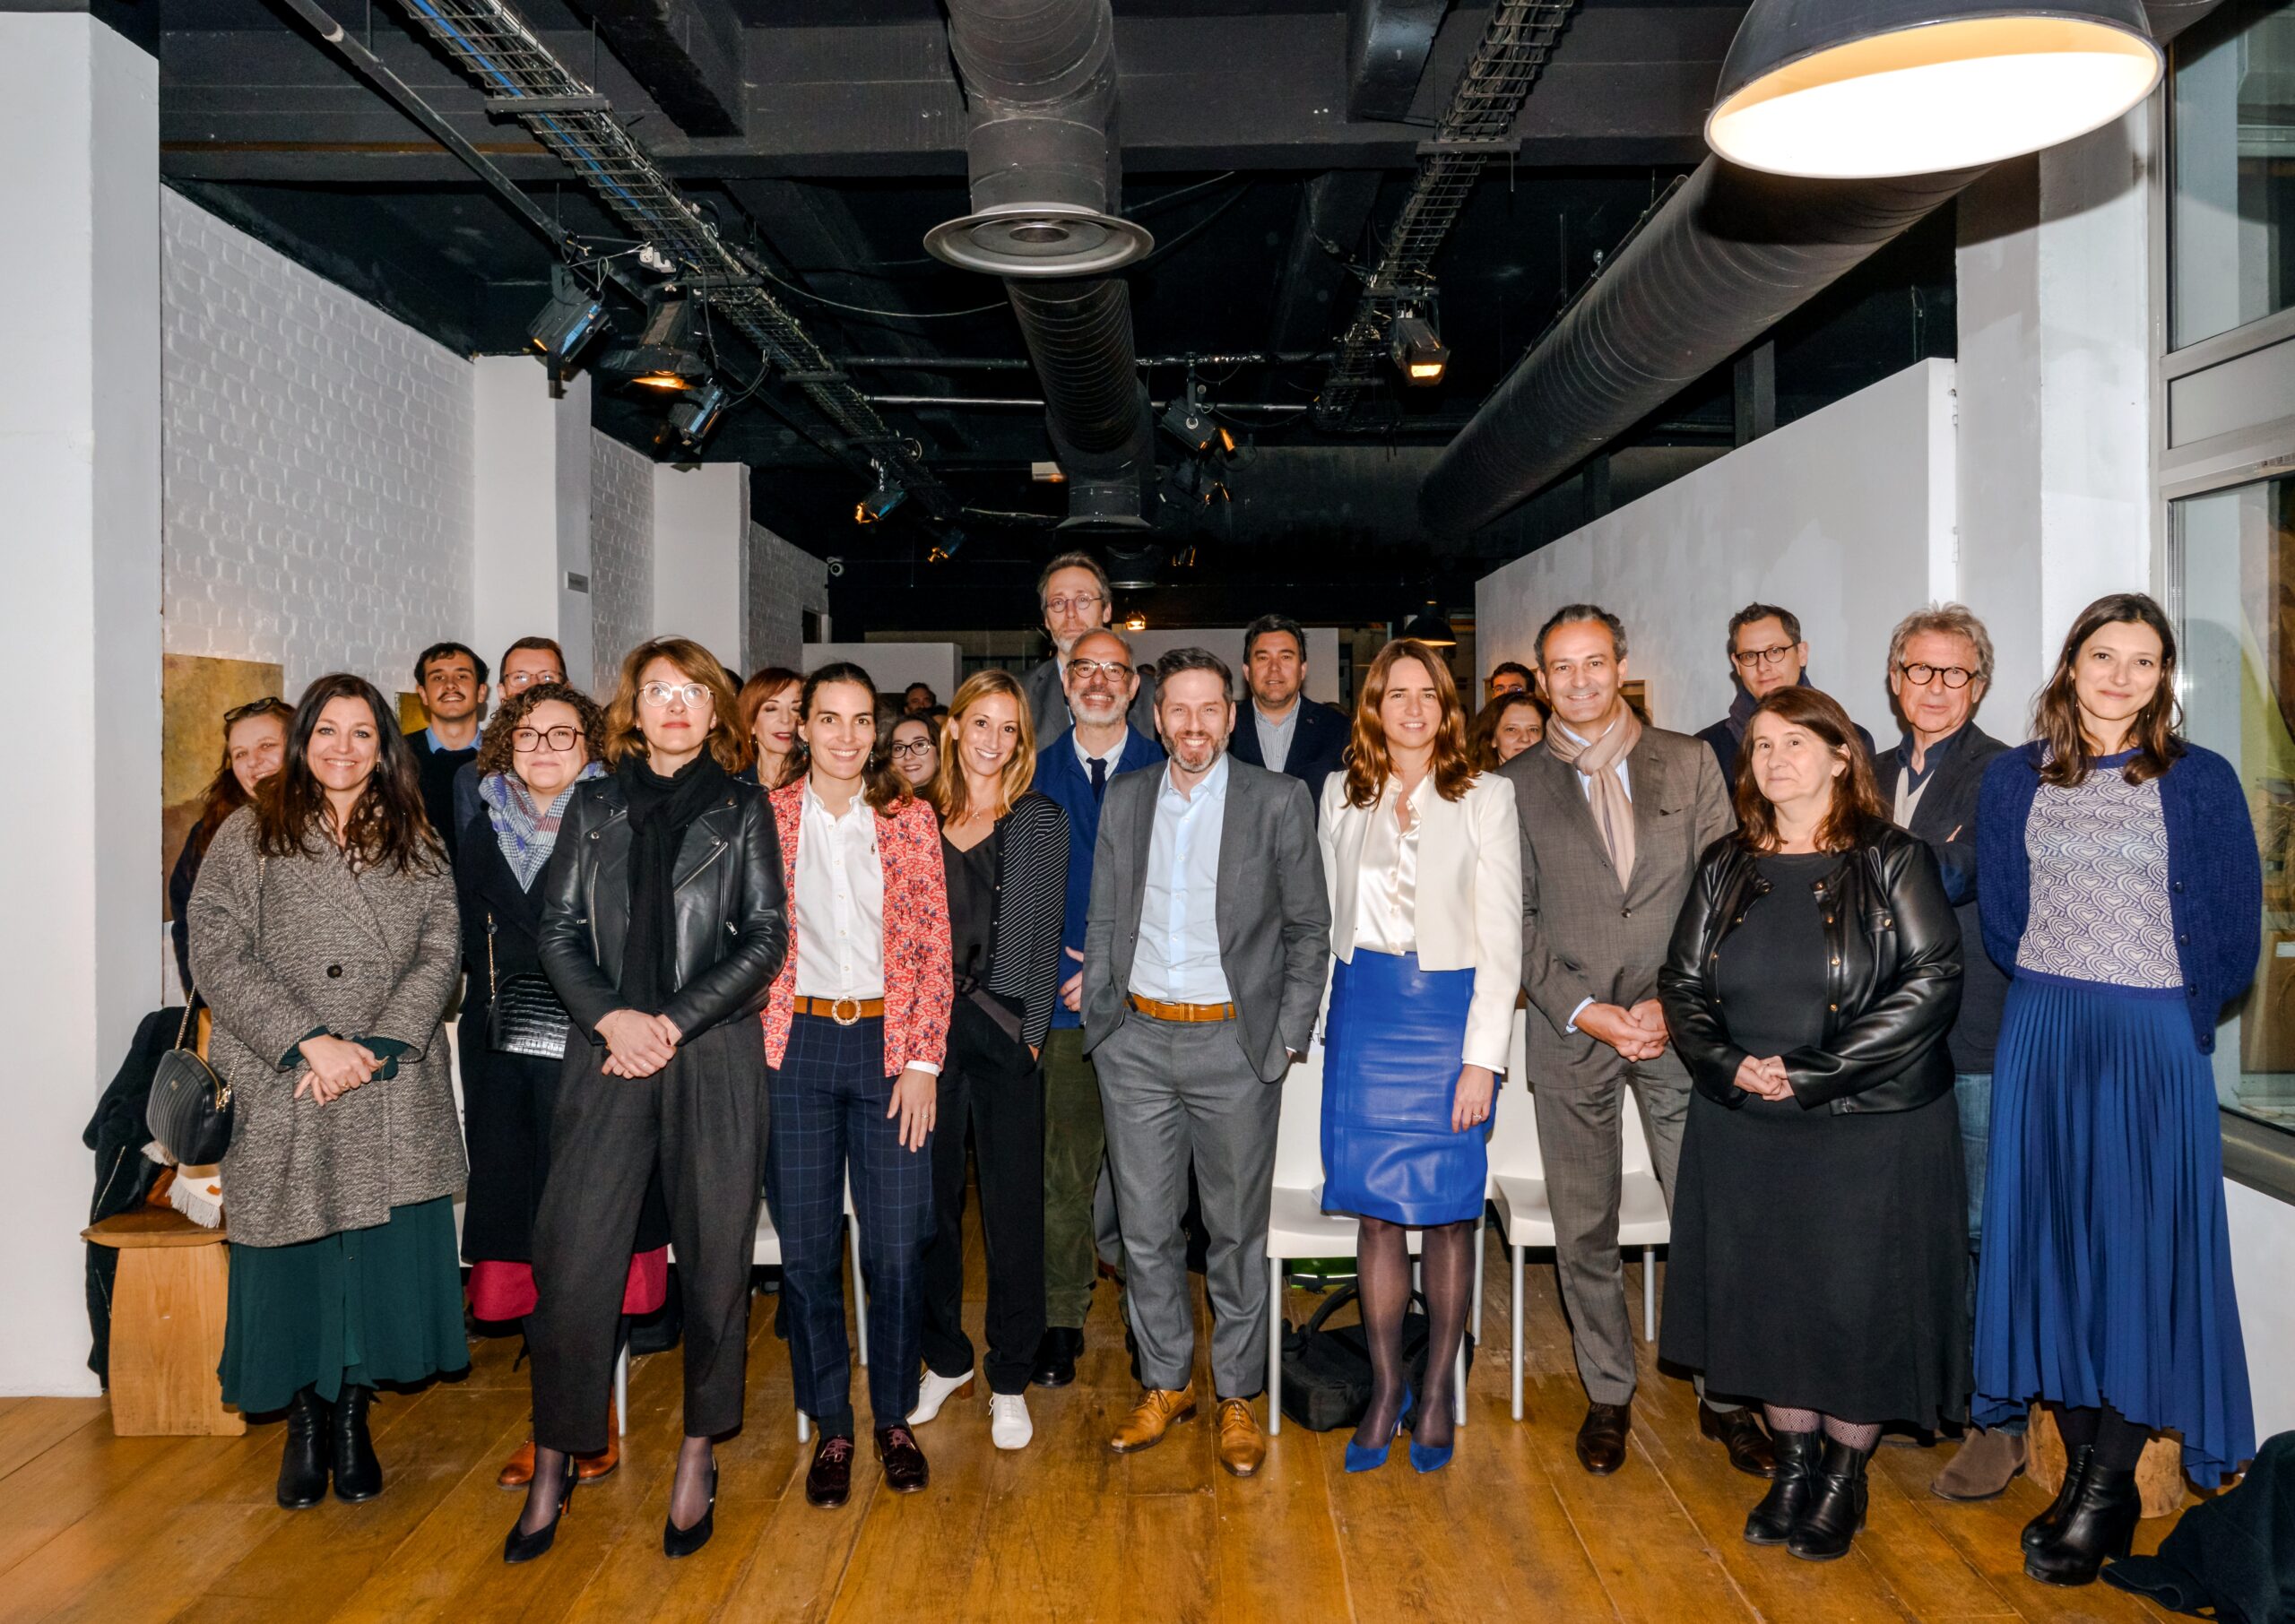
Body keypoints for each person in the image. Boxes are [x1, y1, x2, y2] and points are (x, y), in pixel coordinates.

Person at [1974, 592, 2259, 1586]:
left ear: (2162, 679)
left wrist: (2151, 1009)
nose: (2121, 676)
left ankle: (2105, 1484)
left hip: (2148, 1047)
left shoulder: (2201, 782)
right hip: (2045, 1036)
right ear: (2070, 665)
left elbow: (2231, 935)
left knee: (2138, 1265)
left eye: (2144, 661)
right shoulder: (2013, 780)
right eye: (2105, 655)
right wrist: (2066, 992)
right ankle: (2094, 1476)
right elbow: (2005, 920)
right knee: (2061, 1258)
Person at [1659, 686, 1968, 1563]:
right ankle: (1792, 1465)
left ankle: (1842, 1477)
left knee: (1855, 1310)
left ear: (1842, 757)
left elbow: (1931, 983)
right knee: (1768, 1305)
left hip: (1868, 1126)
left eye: (1795, 742)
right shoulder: (1724, 861)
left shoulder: (1892, 858)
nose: (1774, 760)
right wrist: (1728, 1065)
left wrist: (1810, 1074)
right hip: (1745, 1120)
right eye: (1760, 746)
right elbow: (1680, 983)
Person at [514, 638, 789, 1565]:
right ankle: (557, 1457)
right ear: (637, 708)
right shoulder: (592, 805)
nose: (674, 706)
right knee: (574, 1256)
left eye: (691, 692)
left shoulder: (744, 808)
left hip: (709, 1053)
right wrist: (612, 1023)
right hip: (607, 1055)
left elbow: (763, 940)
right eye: (657, 691)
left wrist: (667, 1023)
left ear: (717, 712)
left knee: (715, 1263)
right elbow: (552, 929)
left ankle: (698, 1452)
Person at [187, 673, 466, 1513]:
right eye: (326, 732)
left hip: (385, 1077)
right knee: (296, 1253)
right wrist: (310, 1040)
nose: (342, 749)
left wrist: (375, 1046)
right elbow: (216, 951)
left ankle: (354, 1415)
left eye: (361, 734)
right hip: (288, 1078)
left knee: (371, 1258)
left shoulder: (416, 836)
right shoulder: (248, 835)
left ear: (384, 748)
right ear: (304, 742)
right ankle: (305, 1422)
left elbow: (440, 948)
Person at [1503, 605, 1767, 1477]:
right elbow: (1514, 920)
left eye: (1592, 663)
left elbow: (1723, 893)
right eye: (1560, 668)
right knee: (1586, 1230)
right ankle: (1607, 1395)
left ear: (1620, 666)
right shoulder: (1511, 785)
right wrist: (1587, 1009)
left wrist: (1665, 998)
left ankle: (1727, 1399)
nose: (1578, 681)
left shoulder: (1689, 763)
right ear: (1542, 682)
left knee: (1708, 1215)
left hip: (1678, 1028)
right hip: (1569, 1030)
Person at [1084, 648, 1329, 1479]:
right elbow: (1109, 914)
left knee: (1233, 1236)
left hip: (1235, 1047)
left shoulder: (1279, 800)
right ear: (1157, 719)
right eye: (1178, 711)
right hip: (1137, 1045)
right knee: (1145, 1233)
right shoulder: (1126, 798)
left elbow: (1309, 931)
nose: (1193, 726)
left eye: (1209, 710)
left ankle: (1237, 1396)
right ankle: (1165, 1383)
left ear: (1232, 715)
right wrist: (1105, 1024)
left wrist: (1285, 1039)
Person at [455, 682, 669, 1490]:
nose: (544, 749)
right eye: (528, 736)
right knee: (531, 1239)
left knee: (593, 1236)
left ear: (591, 747)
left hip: (598, 1048)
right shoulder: (479, 834)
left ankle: (589, 1420)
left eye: (562, 735)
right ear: (506, 744)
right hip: (508, 1056)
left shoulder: (624, 821)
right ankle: (554, 1421)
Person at [1319, 640, 1521, 1474]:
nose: (1410, 707)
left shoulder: (1486, 796)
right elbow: (1322, 914)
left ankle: (1435, 1387)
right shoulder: (1340, 793)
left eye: (1426, 694)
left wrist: (1484, 1059)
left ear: (1445, 707)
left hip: (1446, 1022)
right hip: (1364, 1016)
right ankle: (1382, 1386)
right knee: (1374, 1215)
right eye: (1393, 693)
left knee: (1444, 1213)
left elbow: (1504, 937)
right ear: (1373, 707)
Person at [762, 663, 951, 1511]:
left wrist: (922, 1062)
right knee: (805, 1254)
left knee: (897, 1246)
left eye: (858, 721)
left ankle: (893, 1417)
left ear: (877, 731)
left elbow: (931, 950)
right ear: (802, 728)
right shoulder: (763, 819)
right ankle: (831, 1420)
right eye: (826, 719)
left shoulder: (909, 820)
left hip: (887, 1046)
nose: (844, 736)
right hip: (794, 1047)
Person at [1870, 606, 2021, 1502]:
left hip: (1975, 1036)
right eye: (1919, 672)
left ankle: (1994, 1422)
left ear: (1978, 685)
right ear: (1894, 680)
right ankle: (1924, 1392)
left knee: (1981, 1232)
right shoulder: (1876, 770)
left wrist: (1856, 852)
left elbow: (1954, 877)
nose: (1934, 688)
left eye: (1953, 674)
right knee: (1910, 1223)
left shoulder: (2004, 774)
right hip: (1883, 1038)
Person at [908, 672, 1070, 1450]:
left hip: (1003, 1032)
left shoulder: (1039, 820)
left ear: (1022, 741)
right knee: (930, 1210)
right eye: (982, 723)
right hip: (925, 1043)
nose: (994, 740)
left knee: (1013, 1212)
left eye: (1009, 728)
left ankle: (1010, 1374)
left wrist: (1031, 1035)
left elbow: (1041, 942)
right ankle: (945, 1360)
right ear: (954, 727)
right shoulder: (911, 817)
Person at [1030, 628, 1163, 1387]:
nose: (1102, 683)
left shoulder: (1172, 768)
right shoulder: (1033, 773)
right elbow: (1020, 896)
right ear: (1067, 678)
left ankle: (1153, 1323)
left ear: (1135, 685)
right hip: (1062, 1009)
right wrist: (1056, 973)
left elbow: (1190, 897)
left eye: (1117, 671)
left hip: (1149, 1007)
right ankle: (1061, 1318)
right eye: (1088, 670)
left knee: (1151, 1183)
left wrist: (1118, 969)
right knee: (1065, 1175)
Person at [169, 696, 292, 998]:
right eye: (240, 754)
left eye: (267, 746)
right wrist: (207, 1008)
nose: (253, 762)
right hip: (241, 1011)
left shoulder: (339, 821)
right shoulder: (212, 833)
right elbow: (190, 925)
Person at [1696, 604, 1874, 783]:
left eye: (1775, 652)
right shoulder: (1706, 749)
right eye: (1749, 655)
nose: (1762, 667)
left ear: (1802, 653)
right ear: (1737, 664)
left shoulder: (1851, 738)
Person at [1022, 550, 1157, 743]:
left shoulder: (1153, 695)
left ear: (1107, 610)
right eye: (1058, 602)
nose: (1070, 613)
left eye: (1083, 600)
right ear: (1046, 619)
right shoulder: (1018, 693)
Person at [449, 636, 568, 838]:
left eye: (547, 677)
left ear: (566, 689)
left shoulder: (592, 766)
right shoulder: (472, 778)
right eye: (520, 677)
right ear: (502, 692)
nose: (533, 687)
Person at [1226, 612, 1349, 806]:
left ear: (1302, 669)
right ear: (1247, 671)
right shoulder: (1223, 728)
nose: (1274, 668)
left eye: (1285, 657)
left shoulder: (1338, 728)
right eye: (1263, 658)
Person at [404, 641, 489, 860]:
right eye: (438, 677)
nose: (450, 685)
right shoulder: (398, 756)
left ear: (481, 692)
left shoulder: (507, 756)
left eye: (462, 676)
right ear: (422, 694)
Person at [735, 666, 805, 791]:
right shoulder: (732, 786)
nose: (786, 719)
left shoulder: (818, 782)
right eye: (771, 709)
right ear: (750, 723)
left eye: (796, 709)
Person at [1468, 689, 1546, 772]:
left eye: (1533, 729)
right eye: (1511, 729)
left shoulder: (1557, 781)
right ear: (1493, 738)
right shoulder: (1476, 783)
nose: (1525, 738)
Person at [888, 714, 940, 789]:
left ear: (939, 752)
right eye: (899, 748)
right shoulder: (875, 797)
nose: (908, 756)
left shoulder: (957, 798)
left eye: (919, 744)